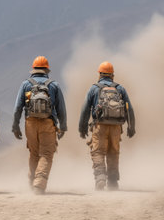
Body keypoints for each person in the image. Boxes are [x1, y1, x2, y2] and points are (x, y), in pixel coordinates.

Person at [12, 56, 67, 195]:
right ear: (47, 69)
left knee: (34, 153)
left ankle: (32, 182)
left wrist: (15, 126)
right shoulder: (53, 85)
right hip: (48, 123)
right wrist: (63, 126)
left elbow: (18, 107)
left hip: (30, 123)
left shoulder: (26, 84)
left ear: (33, 69)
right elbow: (61, 108)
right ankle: (39, 183)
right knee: (47, 154)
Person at [78, 61, 135, 191]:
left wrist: (82, 128)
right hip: (116, 128)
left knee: (98, 152)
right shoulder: (120, 88)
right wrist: (132, 127)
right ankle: (113, 182)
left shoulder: (94, 88)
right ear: (112, 75)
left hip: (99, 126)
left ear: (99, 74)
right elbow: (129, 109)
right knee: (113, 152)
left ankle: (100, 178)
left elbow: (85, 109)